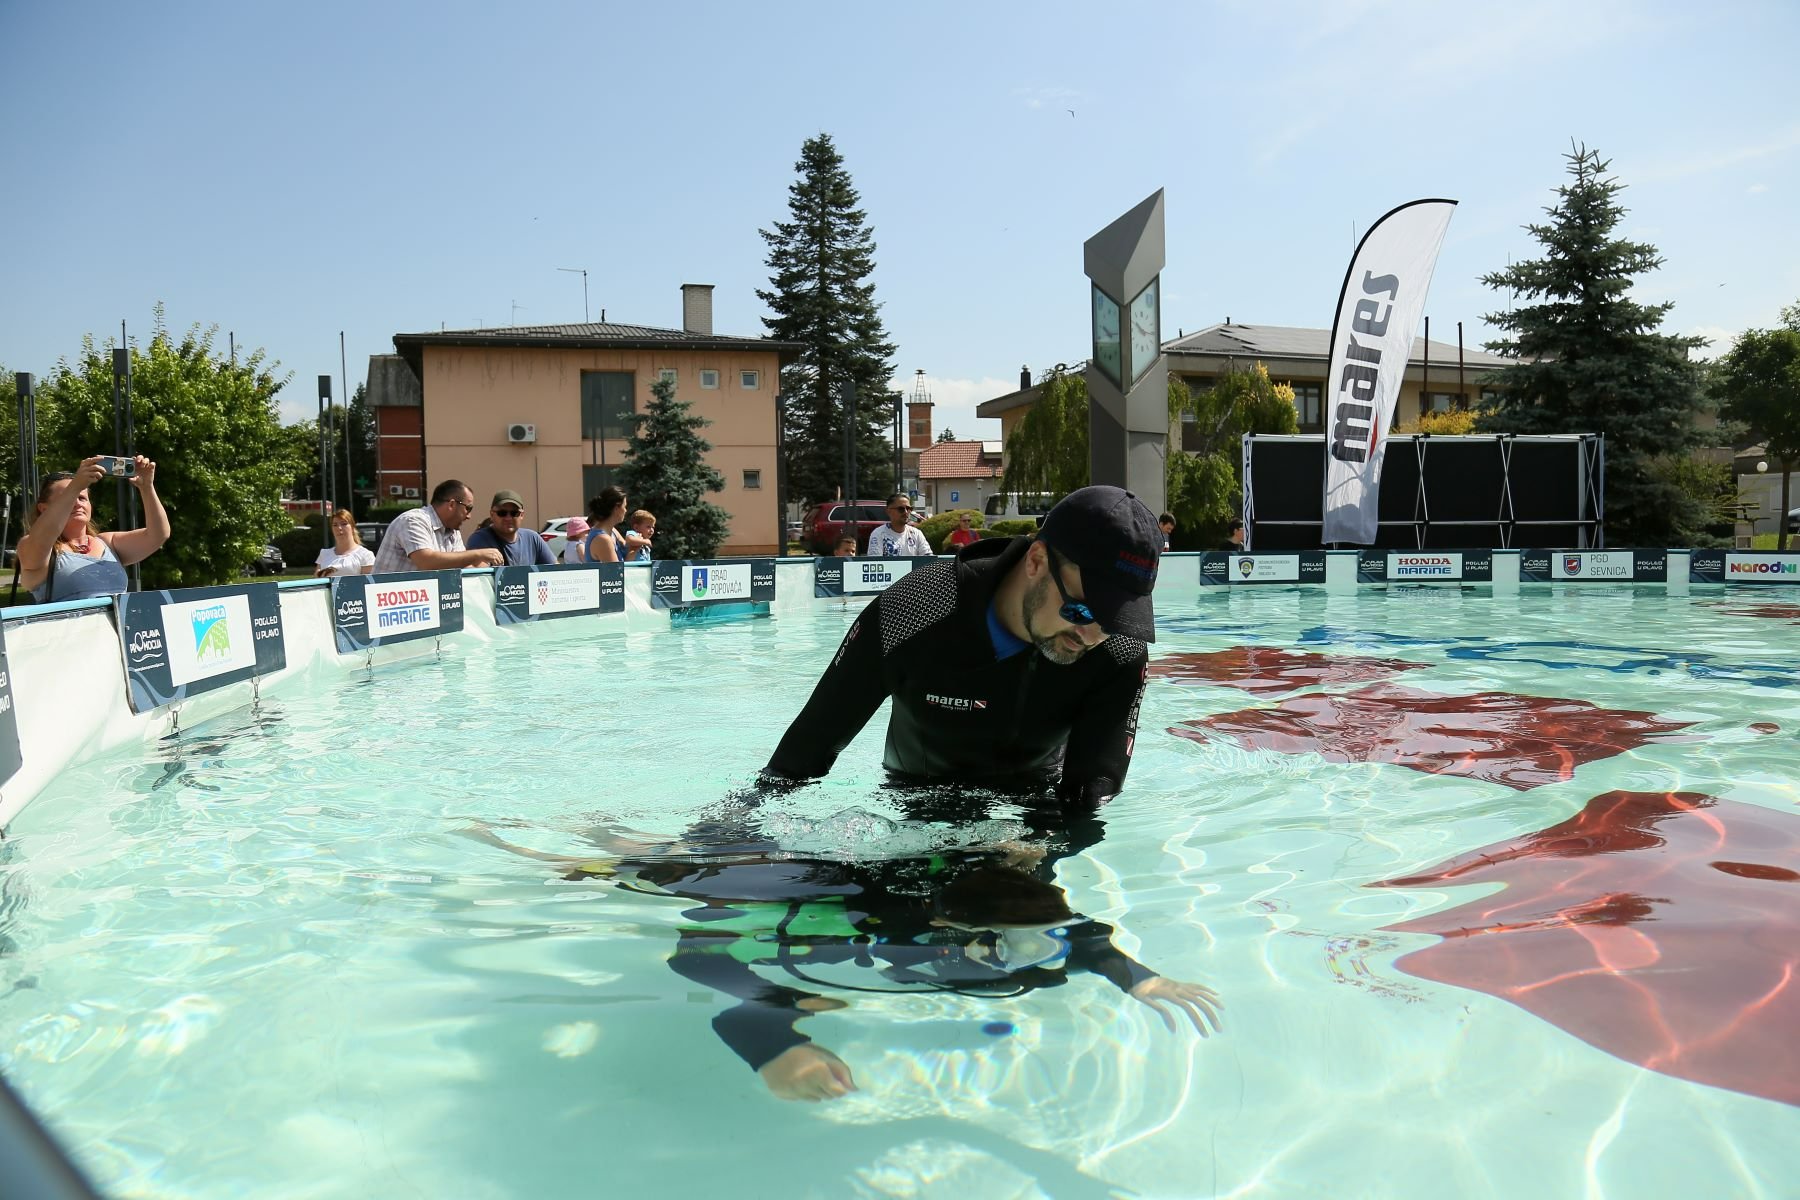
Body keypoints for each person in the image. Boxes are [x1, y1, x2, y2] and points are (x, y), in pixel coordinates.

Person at [465, 824, 1220, 1103]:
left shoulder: (1029, 938)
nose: (1034, 956)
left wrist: (1139, 977)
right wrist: (776, 1042)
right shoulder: (882, 927)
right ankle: (522, 840)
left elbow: (1081, 941)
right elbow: (702, 966)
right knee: (643, 869)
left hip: (870, 872)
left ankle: (618, 834)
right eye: (1011, 937)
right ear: (951, 928)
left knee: (663, 851)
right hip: (782, 874)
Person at [764, 485, 1159, 812]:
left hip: (1036, 803)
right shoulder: (915, 611)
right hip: (918, 797)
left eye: (1113, 621)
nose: (1091, 636)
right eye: (1081, 610)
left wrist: (1042, 850)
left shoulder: (1120, 649)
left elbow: (1093, 790)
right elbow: (802, 755)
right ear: (1037, 561)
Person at [17, 456, 168, 603]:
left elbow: (158, 535)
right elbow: (44, 536)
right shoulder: (32, 546)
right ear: (44, 509)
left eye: (82, 498)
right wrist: (75, 486)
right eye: (69, 497)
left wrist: (147, 487)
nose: (77, 504)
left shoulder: (108, 542)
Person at [371, 479, 504, 574]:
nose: (469, 516)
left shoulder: (452, 530)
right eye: (468, 508)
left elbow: (462, 565)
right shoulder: (413, 520)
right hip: (389, 607)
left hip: (421, 604)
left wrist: (489, 571)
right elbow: (427, 562)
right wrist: (479, 554)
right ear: (452, 504)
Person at [465, 490, 556, 566]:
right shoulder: (480, 539)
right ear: (492, 514)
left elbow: (556, 570)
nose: (508, 518)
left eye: (514, 513)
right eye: (502, 513)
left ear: (521, 515)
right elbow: (480, 576)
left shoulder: (533, 538)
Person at [313, 509, 375, 577]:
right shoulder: (324, 554)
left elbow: (368, 584)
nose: (339, 528)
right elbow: (317, 582)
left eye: (344, 524)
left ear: (352, 527)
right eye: (335, 525)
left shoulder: (365, 555)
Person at [866, 494, 932, 558]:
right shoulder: (878, 534)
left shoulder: (917, 534)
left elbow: (928, 558)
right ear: (888, 511)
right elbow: (875, 562)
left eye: (909, 508)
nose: (906, 512)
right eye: (901, 509)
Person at [583, 486, 631, 564]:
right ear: (616, 508)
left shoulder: (613, 531)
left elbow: (628, 549)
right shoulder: (603, 539)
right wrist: (635, 549)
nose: (626, 511)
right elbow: (616, 572)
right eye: (624, 506)